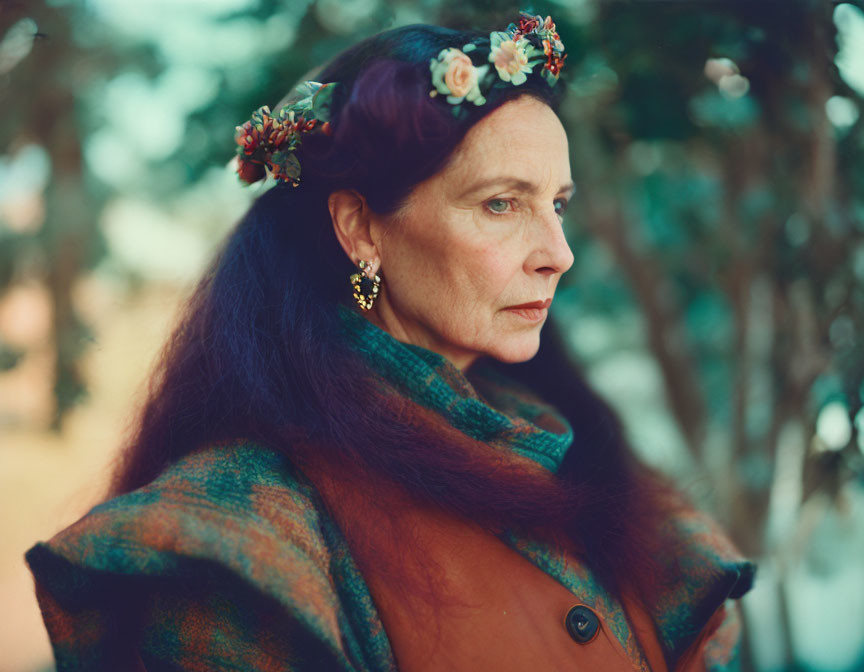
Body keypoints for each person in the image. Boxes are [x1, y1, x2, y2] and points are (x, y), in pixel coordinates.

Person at [25, 10, 756, 672]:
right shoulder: (245, 539)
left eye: (557, 204)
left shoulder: (573, 454)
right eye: (502, 203)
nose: (558, 252)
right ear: (361, 230)